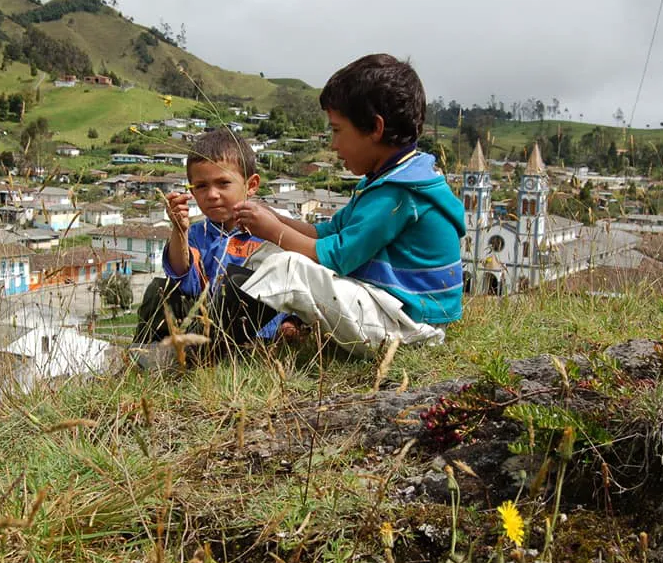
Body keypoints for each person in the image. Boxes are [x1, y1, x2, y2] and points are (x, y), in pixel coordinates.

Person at [232, 53, 466, 354]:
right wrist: (275, 219)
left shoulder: (398, 193)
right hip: (391, 310)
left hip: (410, 328)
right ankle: (226, 335)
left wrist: (274, 229)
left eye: (337, 130)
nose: (333, 144)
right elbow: (329, 231)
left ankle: (210, 344)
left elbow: (336, 256)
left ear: (375, 128)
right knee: (274, 253)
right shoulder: (389, 178)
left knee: (287, 266)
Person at [132, 128, 293, 350]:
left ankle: (193, 356)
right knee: (159, 288)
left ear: (251, 185)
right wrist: (179, 230)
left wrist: (290, 322)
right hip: (202, 326)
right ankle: (143, 358)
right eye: (201, 186)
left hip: (253, 335)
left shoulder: (271, 232)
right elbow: (182, 277)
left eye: (223, 183)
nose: (212, 195)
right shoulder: (198, 234)